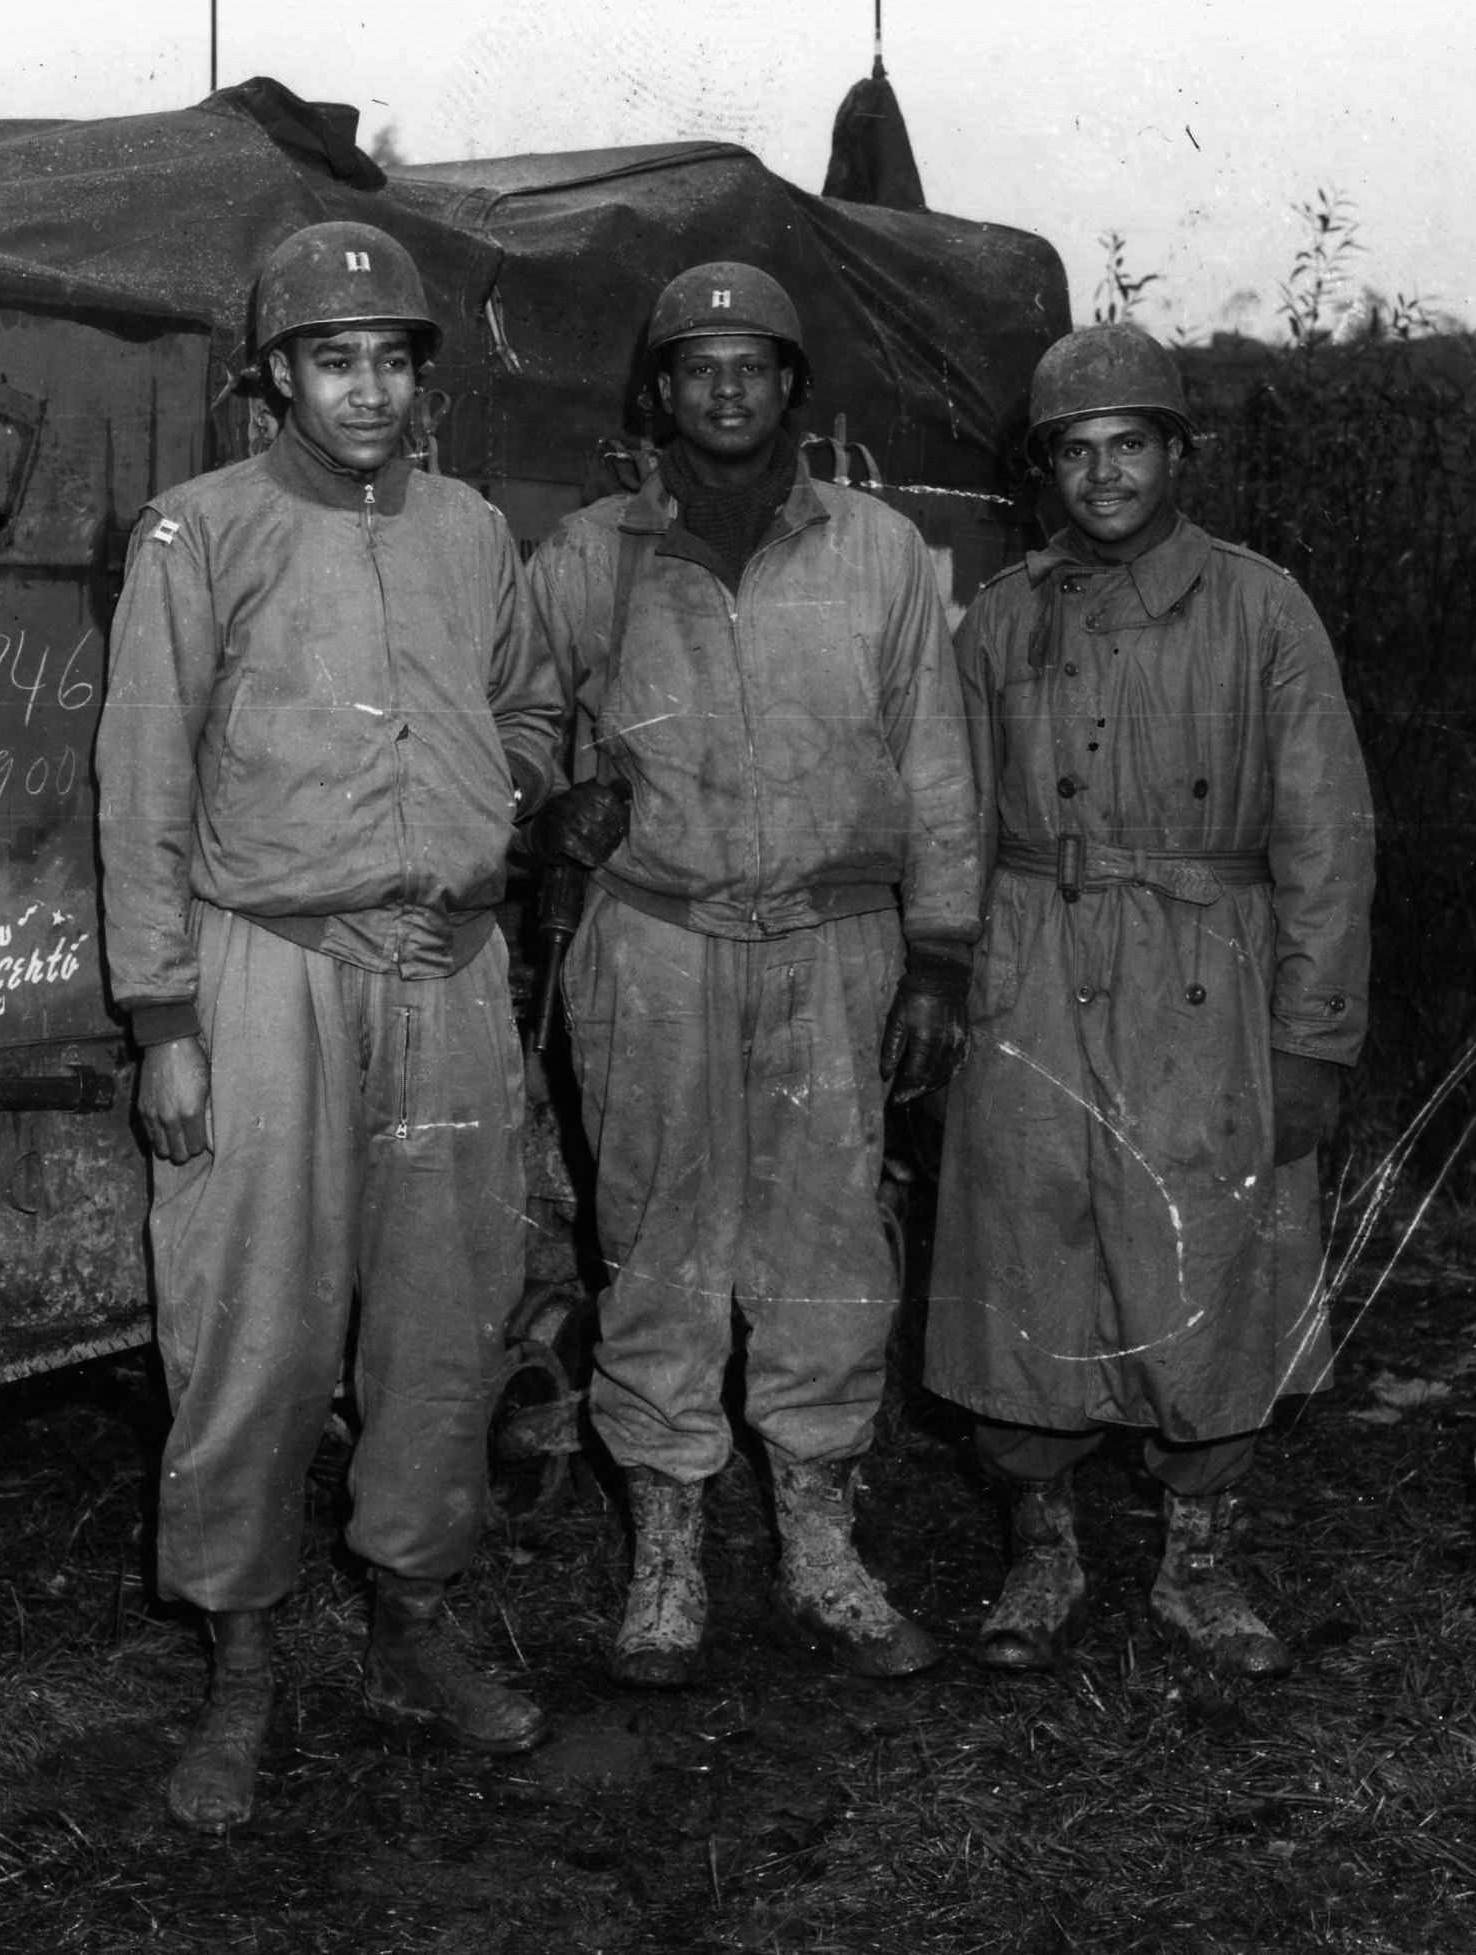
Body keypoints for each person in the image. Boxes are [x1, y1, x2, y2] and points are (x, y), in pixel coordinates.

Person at [95, 220, 560, 1833]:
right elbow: (143, 785)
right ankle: (239, 1661)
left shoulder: (472, 531)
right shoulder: (196, 533)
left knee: (445, 1317)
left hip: (444, 975)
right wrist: (163, 1016)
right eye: (331, 359)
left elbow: (526, 707)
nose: (366, 389)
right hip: (261, 969)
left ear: (424, 380)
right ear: (276, 378)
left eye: (392, 359)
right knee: (250, 1327)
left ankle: (412, 1623)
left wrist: (487, 826)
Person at [527, 262, 981, 1687]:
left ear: (793, 389)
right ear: (655, 394)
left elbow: (935, 762)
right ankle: (665, 1558)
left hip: (836, 946)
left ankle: (820, 1549)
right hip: (654, 940)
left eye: (753, 363)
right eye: (695, 364)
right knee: (656, 1239)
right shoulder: (588, 556)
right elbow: (510, 715)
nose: (725, 387)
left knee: (830, 1247)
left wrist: (939, 954)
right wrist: (549, 796)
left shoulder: (881, 554)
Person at [926, 322, 1376, 1677]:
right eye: (1077, 450)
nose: (1104, 475)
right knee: (1028, 1248)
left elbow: (1325, 838)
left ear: (1177, 455)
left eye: (1131, 445)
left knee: (1212, 1257)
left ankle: (1196, 1563)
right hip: (1034, 974)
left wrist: (1311, 1036)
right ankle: (1042, 1549)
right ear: (1045, 468)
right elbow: (948, 815)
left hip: (1207, 979)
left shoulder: (1259, 607)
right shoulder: (1000, 617)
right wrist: (946, 976)